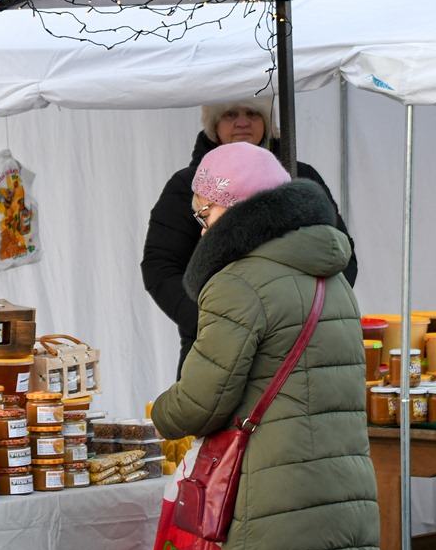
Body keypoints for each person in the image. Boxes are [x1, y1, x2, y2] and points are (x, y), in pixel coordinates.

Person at [150, 143, 383, 550]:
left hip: (272, 499)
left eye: (206, 213)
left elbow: (202, 400)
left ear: (237, 211)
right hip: (343, 494)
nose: (202, 228)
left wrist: (158, 415)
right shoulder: (332, 276)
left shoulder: (238, 282)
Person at [141, 97, 357, 378]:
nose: (242, 122)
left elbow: (337, 251)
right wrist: (212, 323)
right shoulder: (188, 185)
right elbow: (160, 266)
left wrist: (311, 315)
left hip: (299, 345)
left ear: (267, 121)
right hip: (214, 348)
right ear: (213, 125)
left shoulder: (300, 176)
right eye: (230, 114)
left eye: (253, 113)